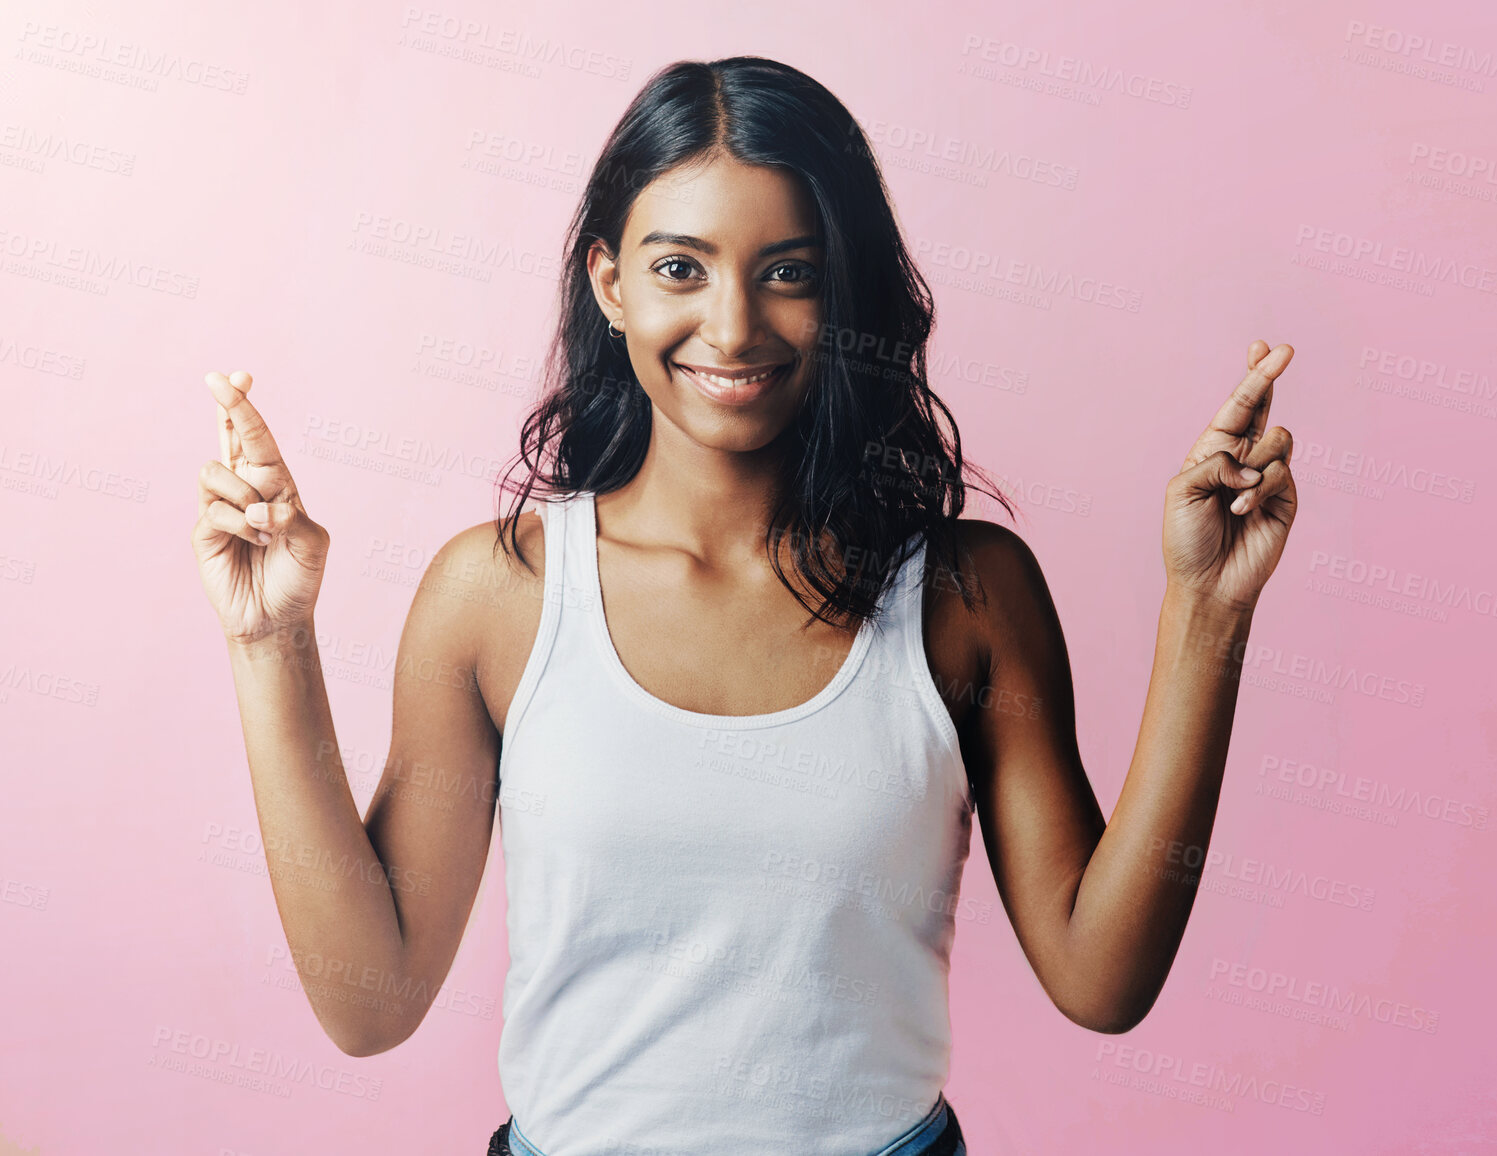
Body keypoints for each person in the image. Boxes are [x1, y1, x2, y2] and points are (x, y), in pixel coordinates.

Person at [192, 55, 1297, 1156]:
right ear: (609, 282)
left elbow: (1101, 978)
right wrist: (269, 638)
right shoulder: (497, 597)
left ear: (846, 290)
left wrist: (1207, 611)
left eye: (788, 272)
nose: (731, 327)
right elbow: (369, 1001)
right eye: (680, 267)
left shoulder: (968, 593)